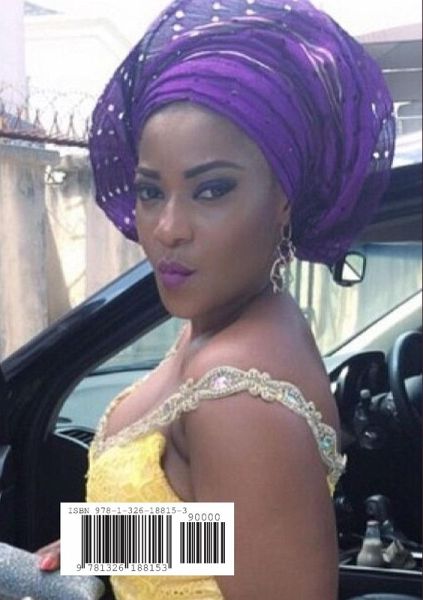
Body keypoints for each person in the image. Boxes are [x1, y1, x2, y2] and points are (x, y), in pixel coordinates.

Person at [35, 0, 395, 598]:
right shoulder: (243, 315)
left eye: (211, 189)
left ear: (283, 197)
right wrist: (103, 541)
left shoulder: (238, 395)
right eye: (151, 191)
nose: (168, 228)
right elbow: (227, 531)